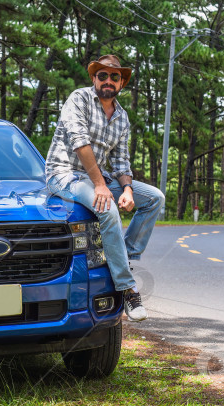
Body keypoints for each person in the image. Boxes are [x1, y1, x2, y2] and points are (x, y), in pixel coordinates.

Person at [45, 54, 165, 322]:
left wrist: (128, 190)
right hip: (65, 174)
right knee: (107, 207)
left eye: (114, 76)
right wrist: (100, 185)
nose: (108, 80)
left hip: (99, 177)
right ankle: (128, 289)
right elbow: (79, 142)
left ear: (121, 83)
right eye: (102, 75)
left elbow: (122, 162)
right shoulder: (79, 99)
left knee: (155, 198)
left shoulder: (122, 118)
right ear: (93, 78)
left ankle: (123, 257)